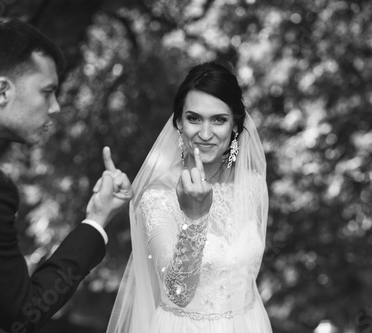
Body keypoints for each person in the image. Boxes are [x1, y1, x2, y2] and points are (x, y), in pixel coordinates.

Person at [0, 18, 133, 333]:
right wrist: (97, 220)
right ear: (3, 90)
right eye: (47, 92)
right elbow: (23, 313)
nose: (56, 107)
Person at [107, 62, 272, 333]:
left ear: (235, 126)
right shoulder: (158, 196)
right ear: (179, 123)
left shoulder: (252, 185)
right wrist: (195, 218)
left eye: (219, 119)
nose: (205, 134)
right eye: (194, 118)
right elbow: (178, 293)